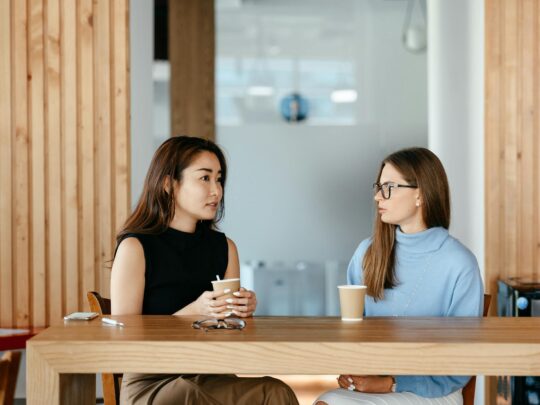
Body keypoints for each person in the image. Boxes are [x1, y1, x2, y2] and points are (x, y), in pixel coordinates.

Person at [111, 136, 299, 405]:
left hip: (211, 374)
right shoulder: (136, 247)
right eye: (204, 178)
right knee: (191, 394)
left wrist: (242, 311)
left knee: (276, 391)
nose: (217, 190)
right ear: (168, 184)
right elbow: (125, 337)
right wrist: (193, 312)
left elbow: (234, 333)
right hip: (152, 382)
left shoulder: (225, 248)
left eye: (219, 179)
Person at [315, 147, 483, 405]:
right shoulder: (367, 253)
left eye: (389, 187)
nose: (377, 197)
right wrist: (352, 369)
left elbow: (461, 362)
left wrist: (392, 382)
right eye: (378, 187)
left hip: (435, 392)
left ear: (421, 194)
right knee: (328, 400)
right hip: (374, 384)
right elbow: (352, 331)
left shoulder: (459, 263)